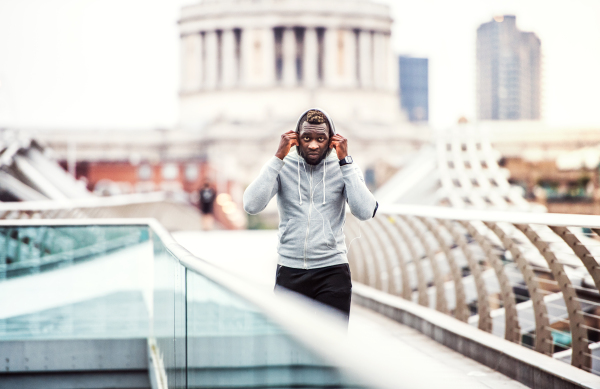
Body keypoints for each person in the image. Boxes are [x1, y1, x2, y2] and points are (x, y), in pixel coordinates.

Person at [243, 108, 378, 322]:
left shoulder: (345, 168)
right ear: (296, 139)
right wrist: (278, 157)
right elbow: (251, 205)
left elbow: (365, 212)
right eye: (307, 137)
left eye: (320, 138)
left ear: (331, 140)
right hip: (290, 271)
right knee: (289, 351)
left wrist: (346, 163)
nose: (313, 144)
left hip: (332, 273)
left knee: (331, 349)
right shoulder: (283, 166)